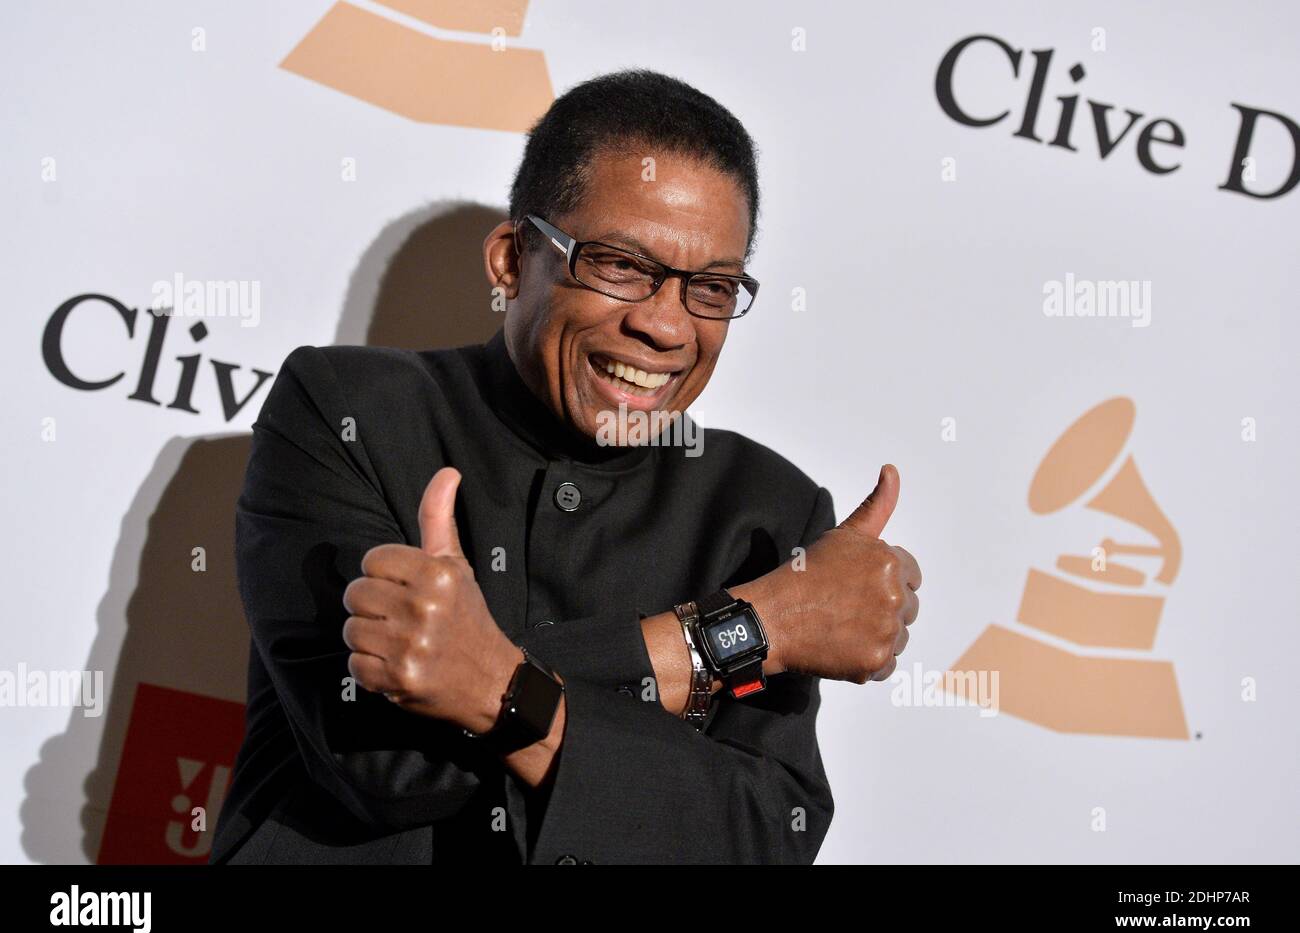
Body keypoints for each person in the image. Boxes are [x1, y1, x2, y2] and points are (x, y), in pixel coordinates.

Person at [209, 69, 921, 865]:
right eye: (619, 264)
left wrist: (488, 685)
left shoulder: (770, 514)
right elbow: (386, 762)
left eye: (711, 288)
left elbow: (754, 839)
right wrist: (747, 631)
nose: (664, 324)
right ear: (512, 260)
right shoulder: (349, 410)